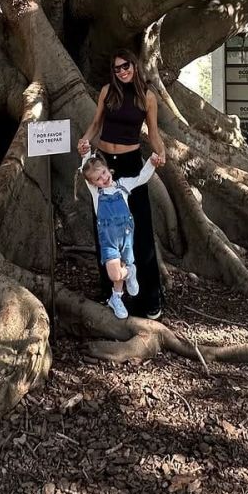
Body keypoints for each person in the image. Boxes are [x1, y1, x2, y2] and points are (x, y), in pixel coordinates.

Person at [77, 50, 167, 318]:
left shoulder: (147, 97)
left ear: (134, 65)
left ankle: (150, 298)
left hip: (130, 163)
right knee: (104, 227)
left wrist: (160, 153)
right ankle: (111, 293)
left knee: (139, 225)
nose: (122, 72)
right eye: (116, 69)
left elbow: (153, 132)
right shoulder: (108, 91)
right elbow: (96, 123)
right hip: (104, 163)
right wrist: (85, 140)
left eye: (125, 66)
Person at [79, 150, 159, 319]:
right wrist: (85, 153)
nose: (103, 178)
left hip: (126, 237)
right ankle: (130, 272)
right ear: (94, 183)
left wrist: (151, 162)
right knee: (115, 274)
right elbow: (86, 169)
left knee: (118, 273)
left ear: (108, 169)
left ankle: (116, 298)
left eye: (104, 173)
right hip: (108, 240)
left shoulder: (122, 185)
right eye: (98, 179)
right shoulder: (97, 194)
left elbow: (141, 178)